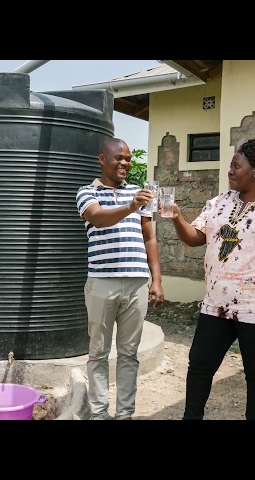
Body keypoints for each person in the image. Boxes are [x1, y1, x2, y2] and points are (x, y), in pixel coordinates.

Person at [160, 138, 255, 420]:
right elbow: (195, 238)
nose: (230, 171)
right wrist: (177, 218)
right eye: (230, 165)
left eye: (236, 166)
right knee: (199, 368)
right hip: (216, 305)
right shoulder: (220, 202)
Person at [75, 137, 165, 420]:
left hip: (137, 282)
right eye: (119, 158)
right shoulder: (86, 192)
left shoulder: (140, 194)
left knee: (129, 354)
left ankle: (125, 414)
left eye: (128, 158)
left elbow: (150, 239)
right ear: (103, 159)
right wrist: (130, 207)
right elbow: (99, 218)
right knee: (99, 352)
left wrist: (157, 280)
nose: (125, 162)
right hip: (102, 282)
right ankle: (100, 414)